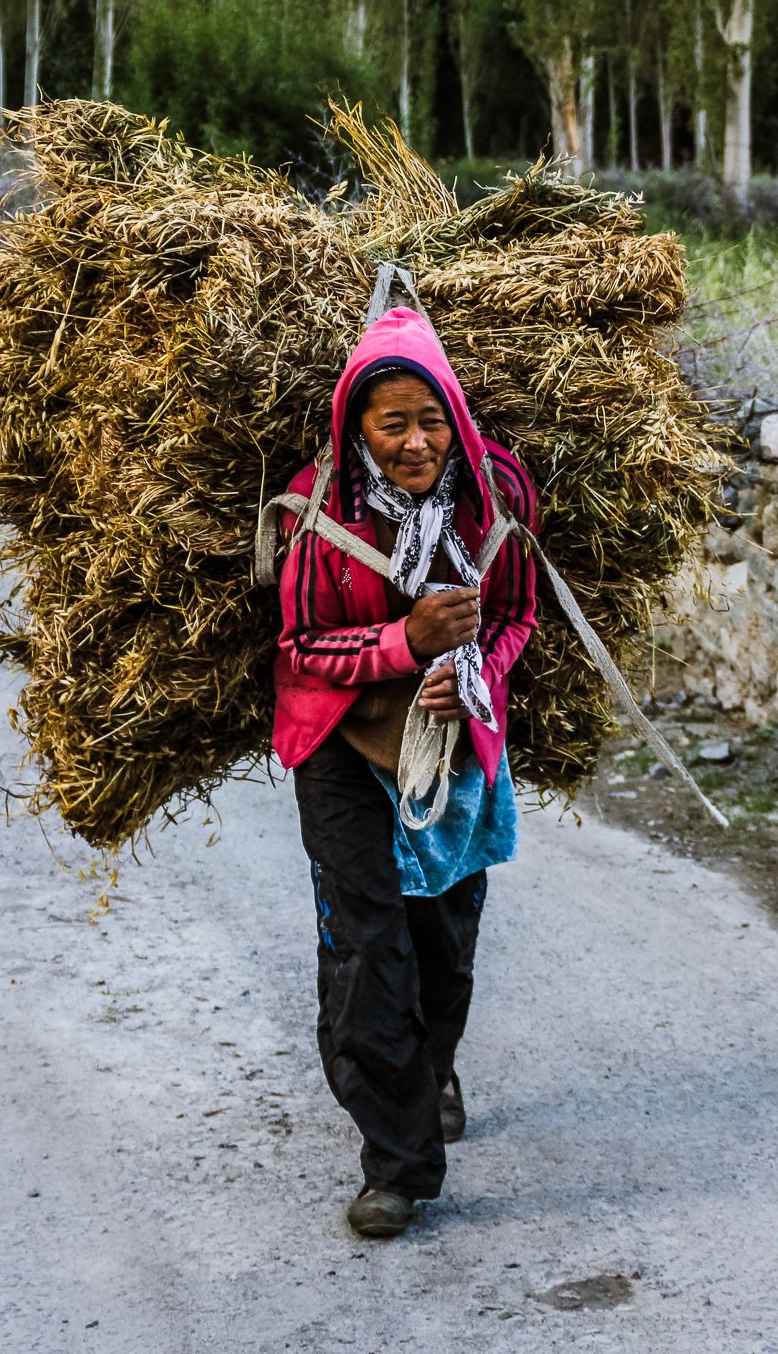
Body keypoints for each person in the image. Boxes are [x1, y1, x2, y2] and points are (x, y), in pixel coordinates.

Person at [272, 304, 539, 1238]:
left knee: (440, 943)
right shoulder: (319, 507)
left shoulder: (496, 489)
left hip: (453, 742)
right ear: (359, 425)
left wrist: (472, 675)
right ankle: (398, 1163)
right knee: (365, 949)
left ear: (455, 417)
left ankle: (429, 1072)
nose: (416, 441)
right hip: (342, 743)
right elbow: (302, 645)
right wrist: (405, 641)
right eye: (393, 423)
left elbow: (515, 614)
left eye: (431, 420)